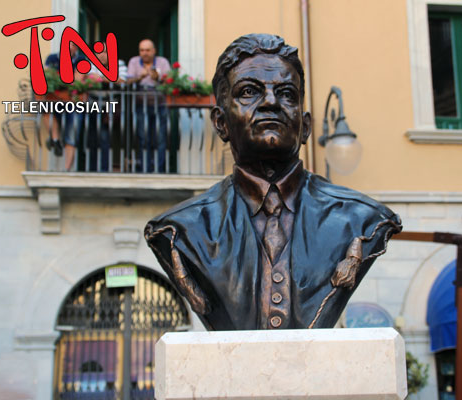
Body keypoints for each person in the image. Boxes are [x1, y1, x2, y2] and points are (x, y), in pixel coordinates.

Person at [144, 34, 402, 331]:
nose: (270, 102)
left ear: (305, 126)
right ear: (221, 123)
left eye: (287, 94)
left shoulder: (360, 219)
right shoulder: (181, 229)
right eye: (249, 92)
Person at [127, 39, 171, 173]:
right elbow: (127, 81)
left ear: (154, 51)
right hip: (141, 105)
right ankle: (144, 169)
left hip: (161, 105)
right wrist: (140, 77)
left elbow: (170, 80)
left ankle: (159, 169)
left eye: (147, 50)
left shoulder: (162, 62)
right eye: (142, 50)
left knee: (160, 138)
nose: (144, 53)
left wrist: (157, 78)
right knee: (143, 137)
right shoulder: (134, 62)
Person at [44, 42, 86, 171]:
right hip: (55, 98)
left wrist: (58, 80)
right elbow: (46, 76)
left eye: (72, 45)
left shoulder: (81, 60)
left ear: (76, 48)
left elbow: (78, 80)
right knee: (44, 109)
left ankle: (67, 170)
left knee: (71, 136)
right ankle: (55, 140)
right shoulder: (52, 58)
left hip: (73, 102)